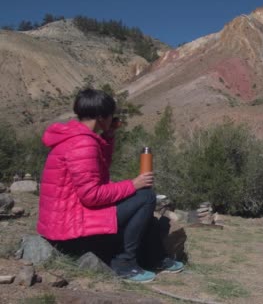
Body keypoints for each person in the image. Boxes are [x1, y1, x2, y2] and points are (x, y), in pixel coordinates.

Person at [37, 88, 183, 283]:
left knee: (141, 197)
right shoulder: (83, 143)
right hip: (69, 232)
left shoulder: (76, 137)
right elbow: (92, 195)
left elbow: (98, 171)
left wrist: (109, 136)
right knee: (145, 197)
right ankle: (124, 264)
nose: (112, 118)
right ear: (100, 117)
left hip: (63, 223)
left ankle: (154, 258)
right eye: (110, 115)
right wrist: (133, 183)